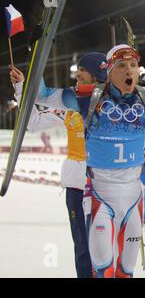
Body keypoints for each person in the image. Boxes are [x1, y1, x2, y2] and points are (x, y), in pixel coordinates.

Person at [34, 40, 145, 278]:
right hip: (100, 197)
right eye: (122, 65)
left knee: (126, 273)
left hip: (134, 199)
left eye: (133, 65)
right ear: (109, 70)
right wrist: (34, 59)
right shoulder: (88, 97)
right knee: (103, 272)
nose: (129, 71)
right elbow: (41, 95)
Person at [8, 52, 107, 278]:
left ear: (96, 75)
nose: (76, 79)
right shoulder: (70, 105)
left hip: (105, 184)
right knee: (83, 248)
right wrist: (22, 86)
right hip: (76, 186)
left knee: (104, 247)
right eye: (77, 76)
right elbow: (33, 122)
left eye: (82, 75)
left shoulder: (112, 104)